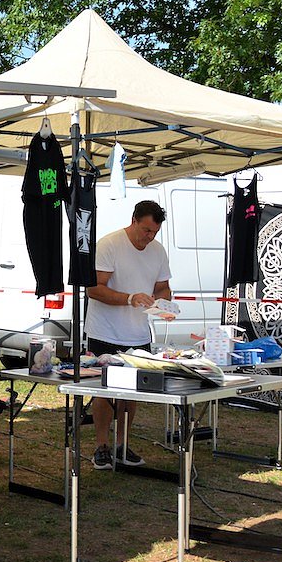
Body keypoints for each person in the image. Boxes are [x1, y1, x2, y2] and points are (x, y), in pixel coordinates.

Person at [84, 200, 173, 470]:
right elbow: (94, 289)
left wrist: (163, 306)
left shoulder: (157, 251)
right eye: (146, 230)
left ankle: (122, 444)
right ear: (133, 220)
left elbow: (163, 287)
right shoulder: (109, 244)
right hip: (105, 331)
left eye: (154, 232)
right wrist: (129, 298)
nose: (149, 237)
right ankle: (101, 446)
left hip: (138, 334)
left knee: (132, 392)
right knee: (104, 391)